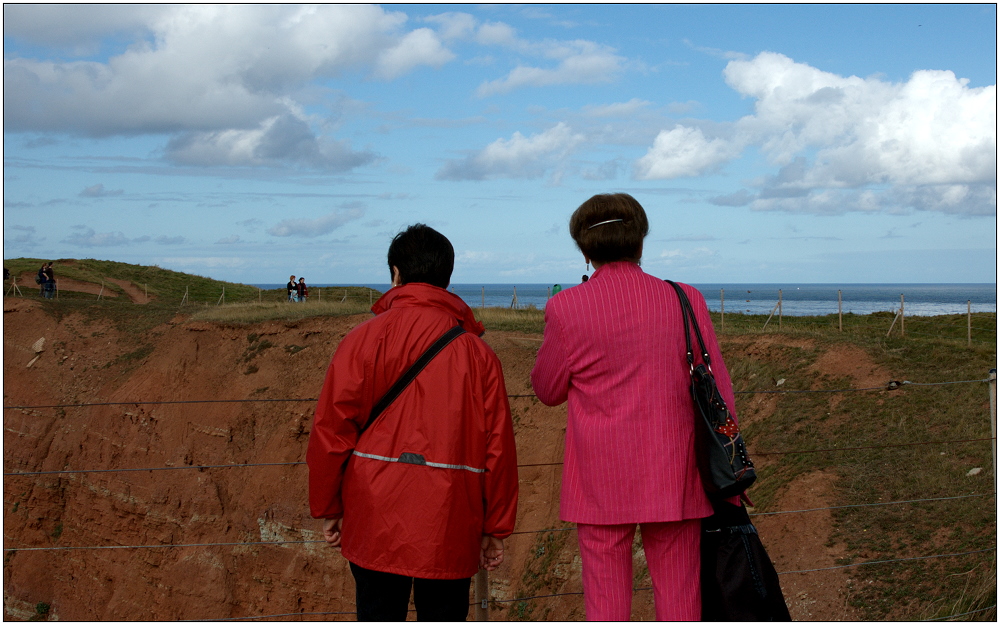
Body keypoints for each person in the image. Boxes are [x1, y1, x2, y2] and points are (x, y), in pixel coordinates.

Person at [531, 193, 738, 621]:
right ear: (640, 242)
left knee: (605, 605)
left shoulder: (565, 307)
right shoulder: (687, 299)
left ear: (585, 251)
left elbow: (548, 389)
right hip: (674, 473)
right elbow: (719, 390)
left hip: (599, 480)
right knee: (681, 599)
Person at [307, 223, 519, 621]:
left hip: (373, 512)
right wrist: (496, 526)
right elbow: (499, 448)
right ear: (446, 277)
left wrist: (329, 507)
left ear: (395, 274)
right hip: (450, 516)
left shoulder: (360, 340)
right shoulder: (478, 354)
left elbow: (331, 432)